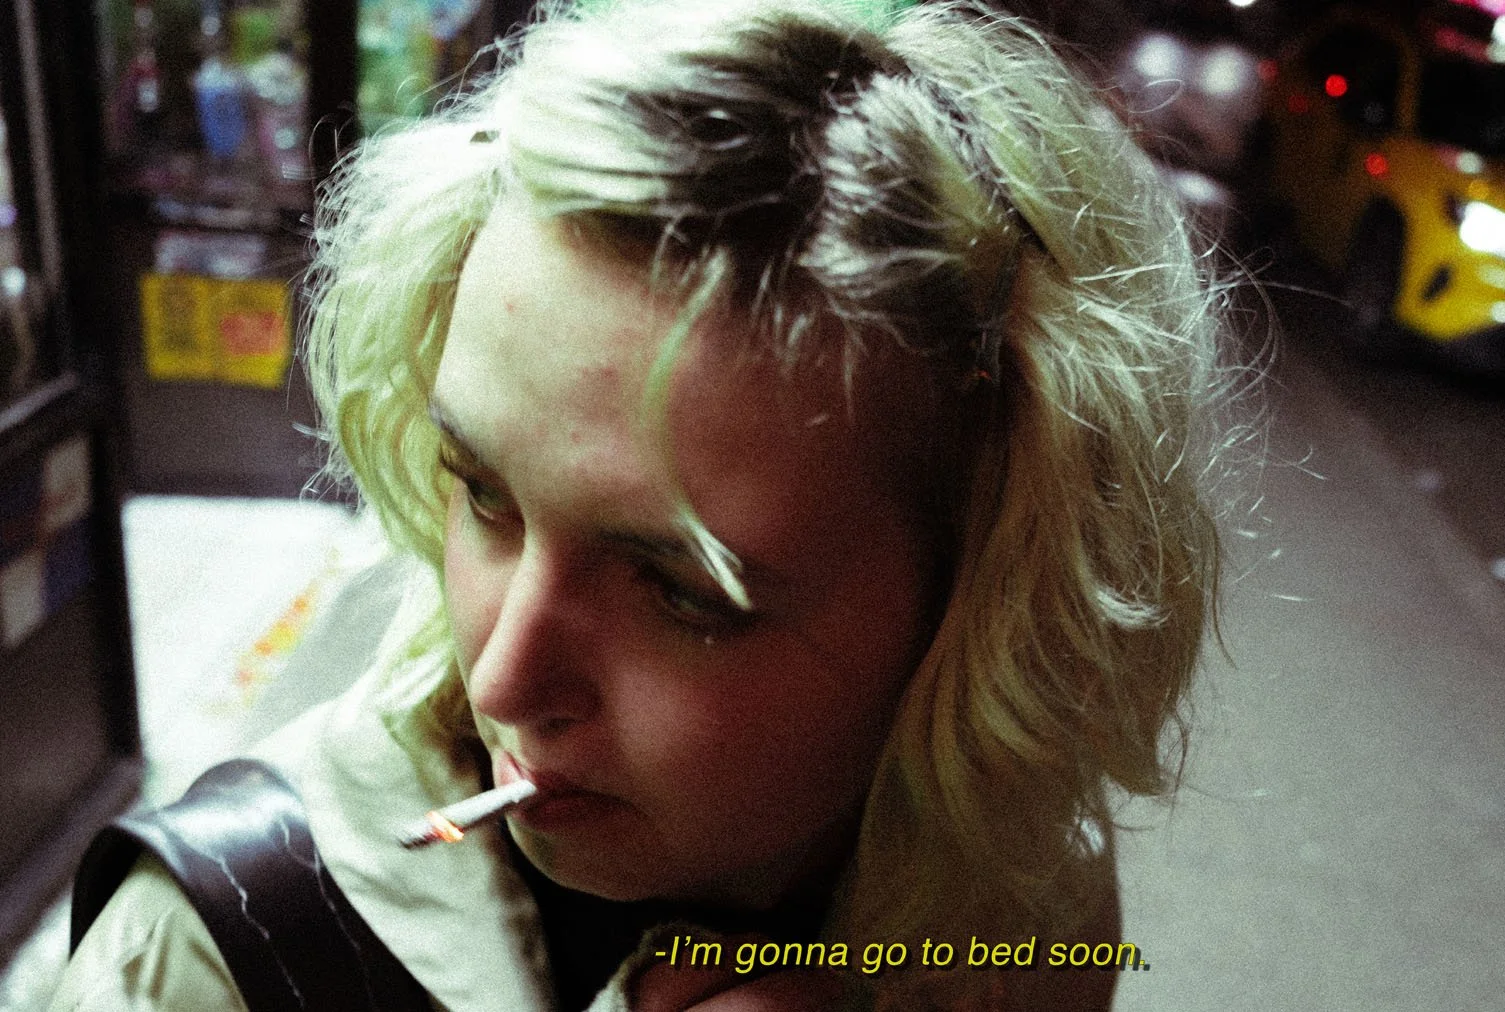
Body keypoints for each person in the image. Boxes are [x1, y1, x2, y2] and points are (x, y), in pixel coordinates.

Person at [53, 0, 1235, 1007]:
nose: (502, 680)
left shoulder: (1015, 901)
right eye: (484, 493)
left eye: (681, 593)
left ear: (979, 597)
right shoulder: (211, 953)